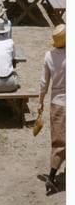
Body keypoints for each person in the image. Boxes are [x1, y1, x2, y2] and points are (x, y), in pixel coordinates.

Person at [38, 25, 66, 195]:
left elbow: (43, 83)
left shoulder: (49, 56)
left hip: (57, 104)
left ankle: (51, 177)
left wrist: (40, 102)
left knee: (58, 143)